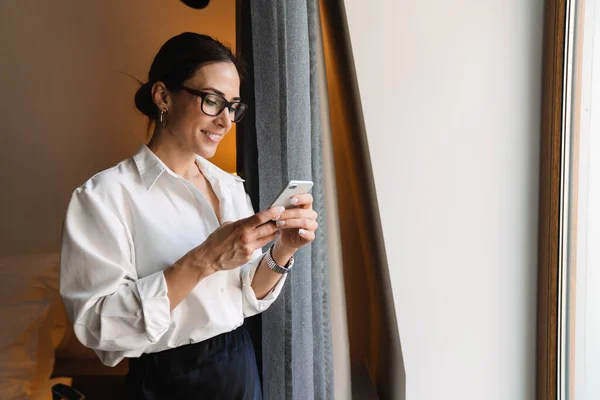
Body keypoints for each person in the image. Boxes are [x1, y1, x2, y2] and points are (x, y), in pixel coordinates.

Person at [59, 32, 318, 400]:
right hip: (167, 382)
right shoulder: (104, 197)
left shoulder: (228, 186)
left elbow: (244, 297)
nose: (226, 122)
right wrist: (204, 259)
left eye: (233, 107)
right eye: (212, 101)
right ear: (163, 95)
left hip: (240, 368)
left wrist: (283, 252)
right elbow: (98, 328)